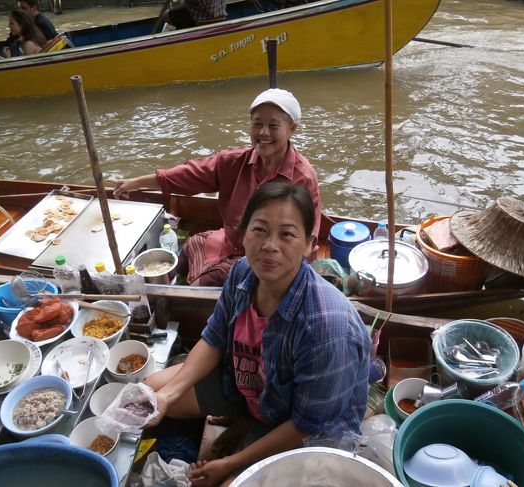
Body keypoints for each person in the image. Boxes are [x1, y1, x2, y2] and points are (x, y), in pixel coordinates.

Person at [144, 181, 371, 487]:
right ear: (244, 233)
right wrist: (166, 397)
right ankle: (246, 421)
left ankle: (248, 434)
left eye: (287, 234)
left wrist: (229, 464)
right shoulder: (242, 274)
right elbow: (214, 339)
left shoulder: (326, 327)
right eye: (260, 230)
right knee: (148, 392)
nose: (270, 245)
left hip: (303, 430)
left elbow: (306, 424)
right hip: (250, 389)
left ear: (308, 244)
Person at [110, 88, 321, 286]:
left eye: (273, 126)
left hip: (264, 259)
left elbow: (305, 241)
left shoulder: (302, 178)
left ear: (292, 129)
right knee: (189, 247)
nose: (263, 133)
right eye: (257, 124)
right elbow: (186, 175)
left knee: (198, 286)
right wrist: (134, 183)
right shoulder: (232, 162)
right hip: (229, 242)